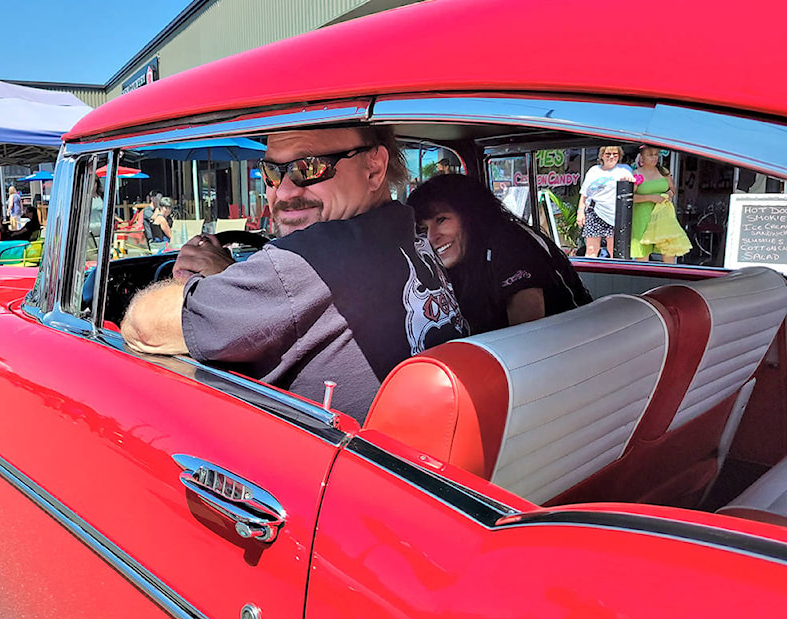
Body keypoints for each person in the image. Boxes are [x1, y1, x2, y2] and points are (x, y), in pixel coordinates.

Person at [121, 125, 465, 422]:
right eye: (271, 172)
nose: (282, 192)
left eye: (310, 167)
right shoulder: (405, 232)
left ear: (374, 169)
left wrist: (196, 282)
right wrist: (234, 278)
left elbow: (141, 325)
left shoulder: (311, 259)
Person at [408, 174, 592, 333]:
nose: (432, 237)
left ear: (470, 216)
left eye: (441, 220)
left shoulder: (509, 243)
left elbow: (527, 338)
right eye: (424, 229)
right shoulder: (457, 258)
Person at [632, 145, 692, 262]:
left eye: (656, 155)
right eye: (650, 155)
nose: (654, 158)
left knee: (668, 249)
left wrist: (669, 193)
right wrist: (650, 197)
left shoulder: (663, 172)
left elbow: (673, 189)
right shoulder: (636, 174)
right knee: (642, 252)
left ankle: (670, 276)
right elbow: (630, 198)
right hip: (643, 216)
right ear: (641, 157)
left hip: (663, 217)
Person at [577, 146, 634, 258]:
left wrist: (631, 180)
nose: (611, 157)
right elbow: (584, 193)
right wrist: (580, 211)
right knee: (591, 250)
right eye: (608, 154)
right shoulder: (593, 171)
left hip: (616, 214)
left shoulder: (625, 169)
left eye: (615, 154)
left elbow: (634, 186)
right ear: (602, 155)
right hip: (595, 211)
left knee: (614, 250)